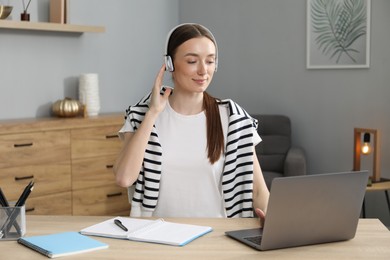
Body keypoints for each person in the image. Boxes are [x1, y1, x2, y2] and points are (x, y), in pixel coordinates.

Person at [114, 23, 269, 222]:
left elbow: (258, 192)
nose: (204, 70)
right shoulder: (140, 115)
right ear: (170, 64)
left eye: (210, 61)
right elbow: (124, 178)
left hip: (217, 239)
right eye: (192, 61)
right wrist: (152, 112)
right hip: (156, 238)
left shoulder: (234, 118)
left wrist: (272, 220)